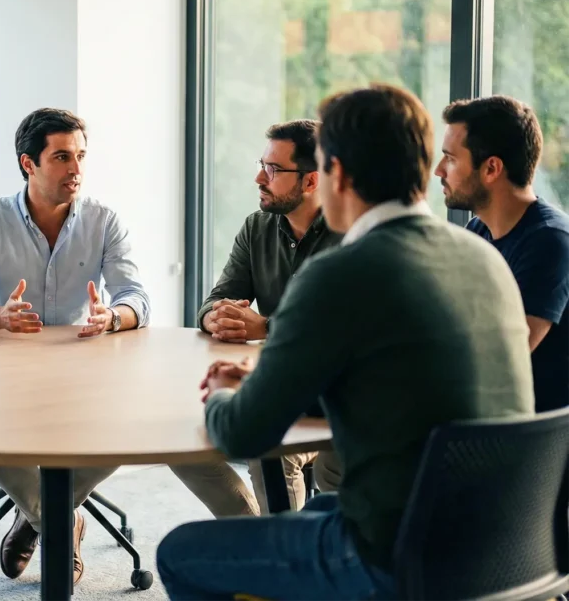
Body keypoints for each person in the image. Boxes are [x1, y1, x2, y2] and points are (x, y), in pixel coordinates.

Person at [157, 84, 535, 600]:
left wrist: (224, 395)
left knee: (181, 552)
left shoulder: (342, 272)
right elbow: (393, 379)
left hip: (398, 554)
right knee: (314, 510)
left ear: (335, 175)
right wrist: (272, 380)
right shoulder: (482, 258)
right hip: (508, 543)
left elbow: (244, 436)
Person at [0, 107, 260, 585]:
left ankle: (36, 515)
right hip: (7, 371)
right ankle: (59, 521)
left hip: (86, 368)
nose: (76, 169)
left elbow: (138, 299)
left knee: (131, 427)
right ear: (28, 164)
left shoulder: (104, 220)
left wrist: (111, 316)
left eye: (81, 157)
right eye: (62, 158)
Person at [196, 119, 342, 513]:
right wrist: (215, 316)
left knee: (272, 446)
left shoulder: (350, 233)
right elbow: (218, 298)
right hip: (274, 379)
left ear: (311, 182)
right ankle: (257, 531)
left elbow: (348, 328)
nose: (260, 177)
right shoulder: (257, 226)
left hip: (337, 393)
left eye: (273, 170)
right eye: (262, 165)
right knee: (187, 431)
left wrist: (266, 326)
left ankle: (296, 549)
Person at [436, 95, 569, 411]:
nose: (438, 170)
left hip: (525, 442)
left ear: (491, 168)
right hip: (482, 418)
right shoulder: (477, 232)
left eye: (450, 159)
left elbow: (503, 358)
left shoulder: (551, 241)